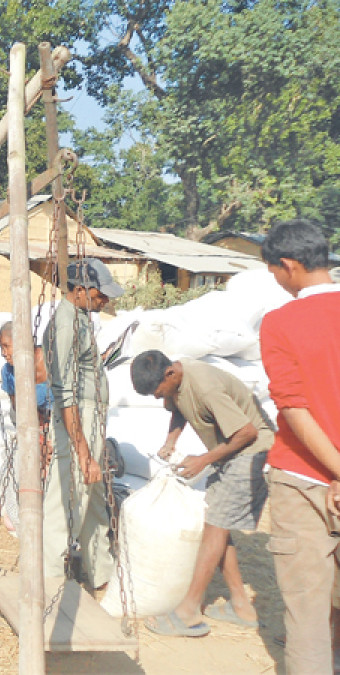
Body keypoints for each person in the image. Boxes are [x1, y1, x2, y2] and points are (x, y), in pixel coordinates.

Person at [130, 350, 272, 637]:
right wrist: (170, 441)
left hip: (251, 453)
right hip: (229, 451)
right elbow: (179, 408)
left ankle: (189, 611)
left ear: (170, 373)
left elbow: (247, 432)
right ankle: (241, 607)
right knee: (216, 525)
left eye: (159, 393)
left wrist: (204, 459)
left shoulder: (205, 386)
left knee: (216, 527)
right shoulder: (177, 381)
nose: (160, 400)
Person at [259, 219, 340, 673]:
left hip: (302, 477)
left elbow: (292, 406)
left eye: (273, 269)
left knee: (306, 613)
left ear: (289, 265)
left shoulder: (280, 322)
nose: (275, 278)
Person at [41, 257, 122, 588]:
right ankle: (47, 584)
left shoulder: (79, 320)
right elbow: (65, 395)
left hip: (89, 419)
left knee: (94, 502)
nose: (105, 301)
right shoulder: (65, 325)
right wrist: (84, 454)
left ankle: (102, 575)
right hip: (79, 420)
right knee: (67, 502)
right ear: (79, 291)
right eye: (101, 294)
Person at [0, 321, 53, 537]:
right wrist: (36, 440)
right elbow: (19, 411)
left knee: (54, 474)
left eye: (6, 346)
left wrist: (48, 440)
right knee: (7, 472)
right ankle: (25, 530)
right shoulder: (8, 372)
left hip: (59, 427)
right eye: (1, 348)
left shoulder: (51, 362)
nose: (4, 353)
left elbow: (67, 407)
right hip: (31, 429)